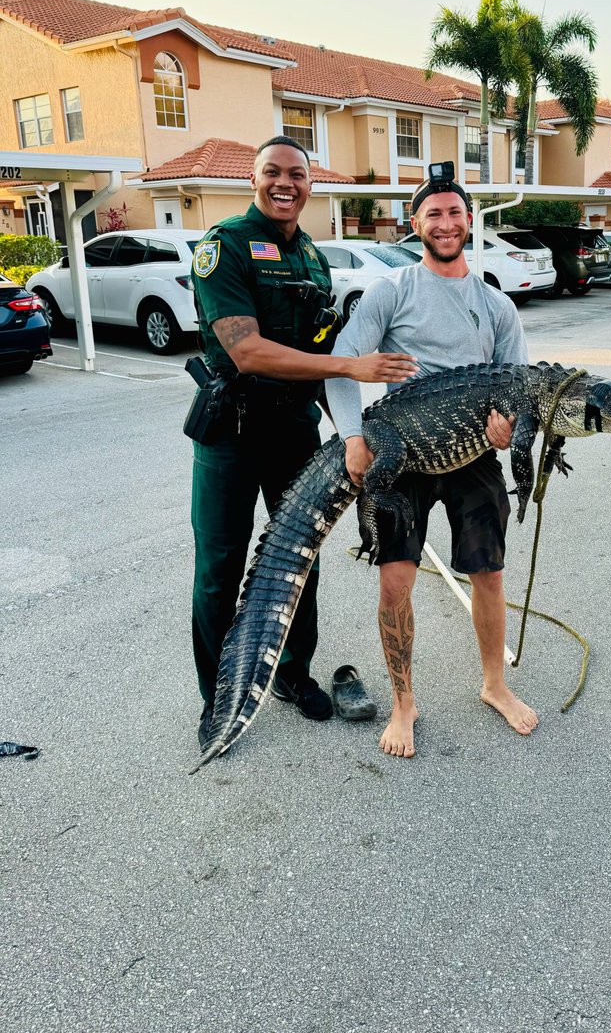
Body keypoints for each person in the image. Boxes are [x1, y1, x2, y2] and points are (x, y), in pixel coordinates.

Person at [189, 136, 416, 743]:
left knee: (301, 561)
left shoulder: (312, 255)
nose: (284, 183)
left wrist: (353, 433)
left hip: (295, 430)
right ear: (254, 179)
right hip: (231, 431)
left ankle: (291, 673)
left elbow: (319, 351)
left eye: (297, 174)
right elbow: (247, 350)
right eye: (272, 173)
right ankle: (219, 697)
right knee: (220, 565)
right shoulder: (224, 246)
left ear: (310, 184)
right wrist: (350, 369)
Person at [325, 170, 539, 757]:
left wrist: (507, 430)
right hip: (404, 451)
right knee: (395, 583)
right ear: (414, 225)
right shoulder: (391, 291)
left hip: (471, 454)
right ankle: (404, 702)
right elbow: (340, 364)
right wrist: (351, 438)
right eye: (433, 215)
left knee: (488, 575)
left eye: (455, 213)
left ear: (469, 221)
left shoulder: (495, 304)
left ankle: (495, 685)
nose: (445, 224)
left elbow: (517, 391)